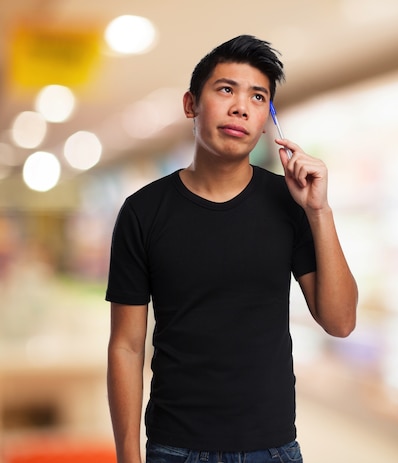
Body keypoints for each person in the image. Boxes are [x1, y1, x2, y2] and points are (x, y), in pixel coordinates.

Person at [106, 35, 358, 463]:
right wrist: (128, 457)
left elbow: (340, 322)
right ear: (192, 104)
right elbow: (126, 346)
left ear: (267, 119)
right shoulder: (143, 212)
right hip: (174, 447)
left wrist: (320, 211)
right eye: (226, 90)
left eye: (257, 97)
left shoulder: (291, 204)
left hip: (272, 447)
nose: (241, 106)